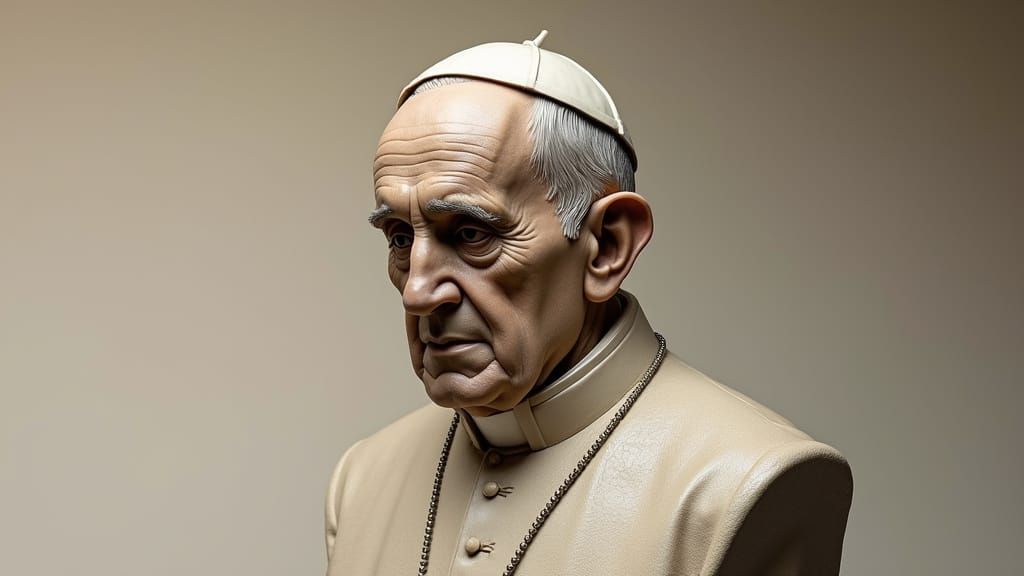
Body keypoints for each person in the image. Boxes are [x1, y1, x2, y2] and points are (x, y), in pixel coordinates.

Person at [325, 32, 853, 576]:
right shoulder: (360, 480)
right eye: (400, 237)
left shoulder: (749, 480)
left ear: (607, 246)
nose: (417, 292)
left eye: (470, 234)